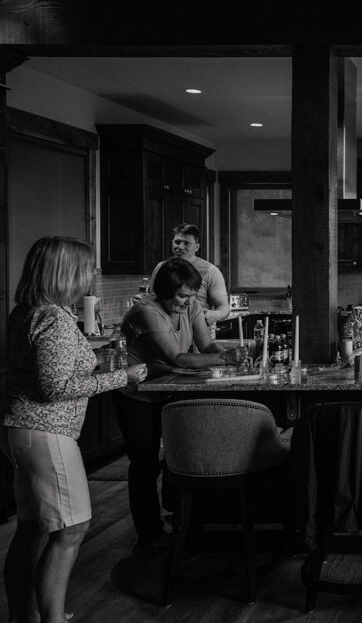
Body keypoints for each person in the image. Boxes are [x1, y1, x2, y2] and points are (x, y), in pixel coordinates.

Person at [2, 236, 147, 623]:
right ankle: (52, 619)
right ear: (64, 271)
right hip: (47, 432)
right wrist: (121, 376)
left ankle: (22, 617)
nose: (91, 274)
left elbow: (49, 372)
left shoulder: (25, 311)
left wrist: (94, 360)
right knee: (72, 529)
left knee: (31, 529)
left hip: (22, 429)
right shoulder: (53, 318)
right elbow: (55, 389)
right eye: (86, 267)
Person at [115, 257, 246, 550]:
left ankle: (180, 522)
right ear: (164, 291)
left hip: (169, 389)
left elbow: (207, 346)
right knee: (145, 463)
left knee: (178, 457)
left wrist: (231, 353)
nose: (188, 302)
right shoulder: (146, 311)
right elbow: (178, 357)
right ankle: (148, 534)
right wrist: (223, 359)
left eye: (191, 295)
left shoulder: (192, 307)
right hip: (137, 393)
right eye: (182, 296)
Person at [149, 223, 230, 335]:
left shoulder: (211, 271)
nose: (180, 247)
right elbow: (153, 299)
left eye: (186, 243)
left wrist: (214, 315)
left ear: (197, 247)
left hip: (199, 336)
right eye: (177, 242)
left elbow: (224, 307)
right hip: (167, 333)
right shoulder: (161, 268)